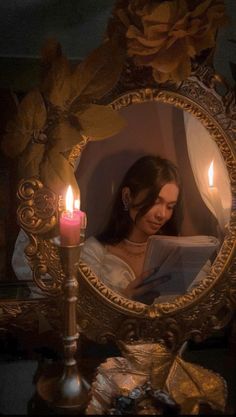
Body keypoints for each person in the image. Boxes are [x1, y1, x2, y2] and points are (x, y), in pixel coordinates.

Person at [80, 155, 183, 304]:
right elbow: (85, 313)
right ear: (127, 196)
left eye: (170, 206)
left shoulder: (177, 252)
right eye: (155, 202)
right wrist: (125, 299)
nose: (162, 214)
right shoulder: (95, 252)